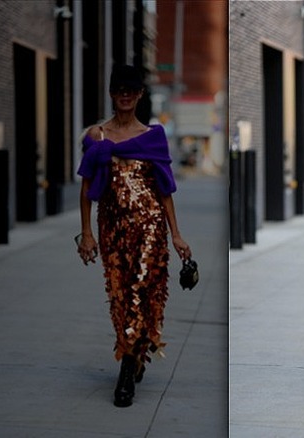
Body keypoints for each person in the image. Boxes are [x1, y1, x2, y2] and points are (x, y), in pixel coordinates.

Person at [76, 64, 192, 408]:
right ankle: (136, 350)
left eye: (131, 89)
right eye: (119, 89)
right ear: (112, 94)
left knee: (143, 290)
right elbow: (86, 188)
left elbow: (164, 189)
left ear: (140, 94)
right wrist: (86, 233)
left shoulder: (153, 137)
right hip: (111, 228)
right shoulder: (97, 137)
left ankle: (127, 368)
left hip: (150, 227)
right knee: (119, 294)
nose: (125, 95)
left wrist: (176, 235)